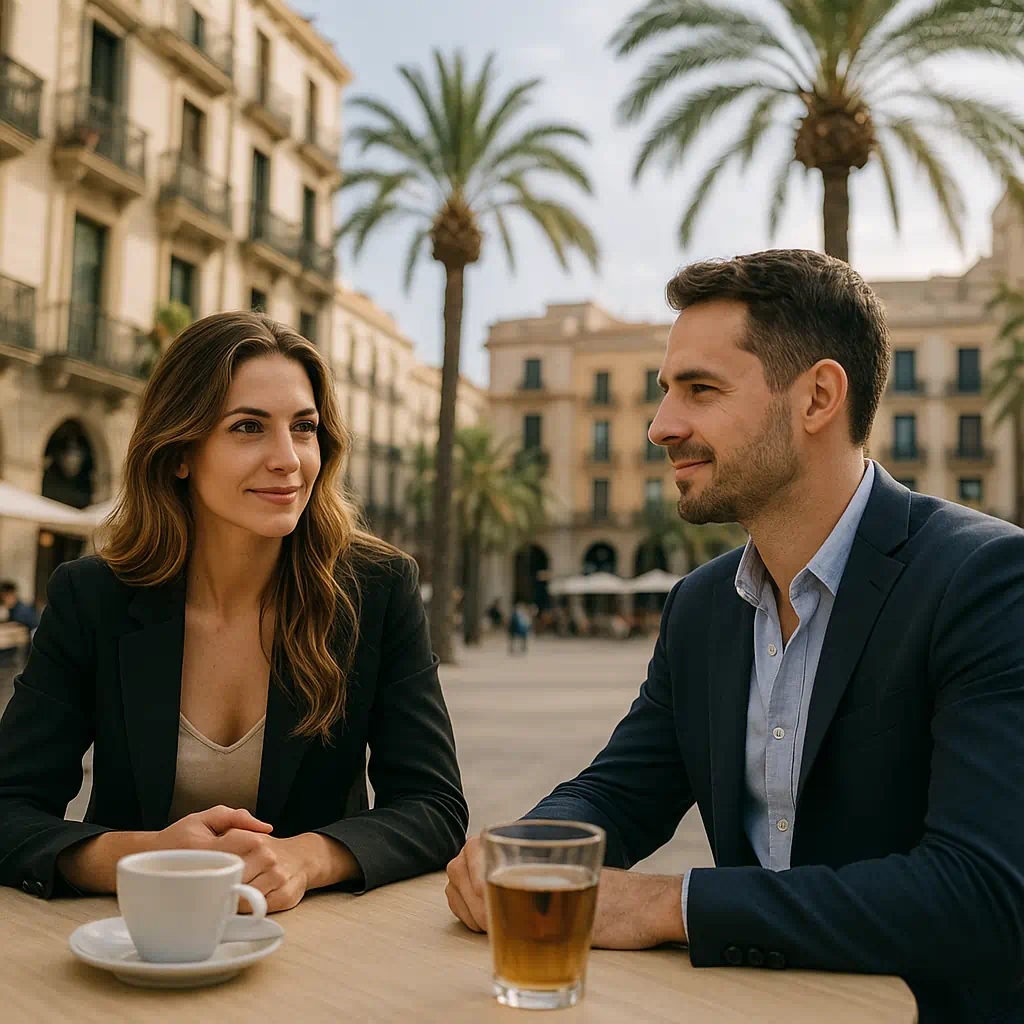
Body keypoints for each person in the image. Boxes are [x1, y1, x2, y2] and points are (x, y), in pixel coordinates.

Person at [445, 250, 1024, 1024]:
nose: (661, 427)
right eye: (663, 393)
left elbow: (980, 896)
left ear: (818, 395)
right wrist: (522, 856)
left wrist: (666, 905)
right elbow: (622, 791)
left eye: (701, 391)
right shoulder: (702, 607)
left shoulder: (983, 580)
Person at [0, 311, 468, 911]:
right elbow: (9, 810)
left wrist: (305, 857)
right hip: (131, 942)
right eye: (248, 427)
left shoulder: (375, 590)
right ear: (179, 453)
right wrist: (142, 858)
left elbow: (434, 806)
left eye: (304, 428)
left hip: (326, 956)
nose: (288, 459)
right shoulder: (92, 597)